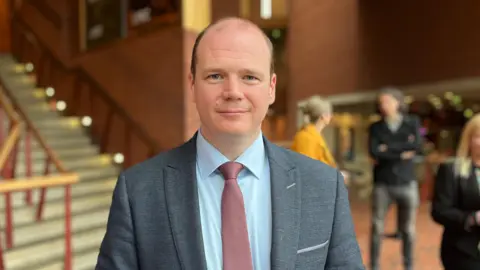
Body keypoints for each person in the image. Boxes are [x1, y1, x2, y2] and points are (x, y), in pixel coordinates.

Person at [95, 17, 364, 270]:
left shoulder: (324, 186)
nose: (233, 92)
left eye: (249, 77)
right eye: (215, 76)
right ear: (192, 85)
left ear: (271, 88)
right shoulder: (138, 191)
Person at [368, 87, 422, 270]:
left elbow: (417, 146)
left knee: (408, 230)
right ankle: (374, 265)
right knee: (377, 228)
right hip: (383, 183)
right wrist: (402, 152)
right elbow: (373, 151)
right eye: (381, 102)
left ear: (398, 102)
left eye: (387, 101)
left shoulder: (412, 122)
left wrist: (387, 149)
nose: (383, 106)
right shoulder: (375, 127)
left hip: (407, 183)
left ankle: (409, 265)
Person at [431, 113, 480, 270]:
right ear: (469, 140)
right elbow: (440, 211)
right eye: (479, 136)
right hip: (463, 250)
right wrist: (473, 218)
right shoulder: (451, 169)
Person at [291, 95, 350, 184]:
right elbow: (308, 172)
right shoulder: (307, 137)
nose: (331, 116)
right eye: (330, 113)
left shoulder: (314, 135)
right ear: (323, 116)